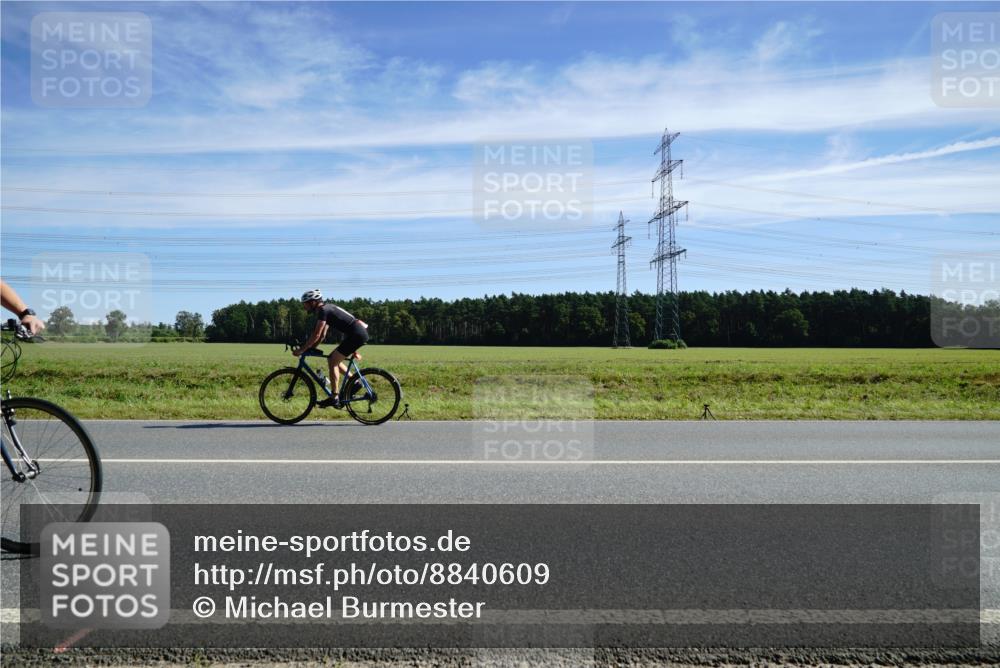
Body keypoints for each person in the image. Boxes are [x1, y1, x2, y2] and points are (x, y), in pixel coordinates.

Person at [293, 289, 368, 409]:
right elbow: (322, 335)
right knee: (333, 359)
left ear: (313, 302)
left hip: (357, 334)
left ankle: (335, 396)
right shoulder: (326, 309)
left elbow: (316, 334)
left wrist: (302, 350)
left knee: (333, 360)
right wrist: (312, 348)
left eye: (305, 303)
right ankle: (355, 383)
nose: (304, 306)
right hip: (357, 333)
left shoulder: (323, 310)